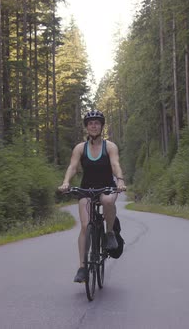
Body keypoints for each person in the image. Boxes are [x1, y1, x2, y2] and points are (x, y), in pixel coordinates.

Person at [58, 110, 127, 283]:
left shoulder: (109, 146)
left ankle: (109, 233)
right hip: (86, 189)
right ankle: (82, 267)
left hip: (106, 187)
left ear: (102, 126)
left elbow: (115, 164)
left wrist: (119, 180)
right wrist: (66, 181)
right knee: (84, 225)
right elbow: (73, 167)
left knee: (108, 200)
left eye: (97, 123)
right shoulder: (80, 148)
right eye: (90, 123)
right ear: (87, 127)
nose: (93, 125)